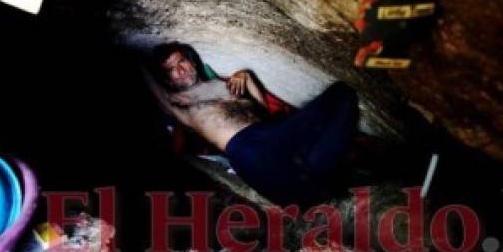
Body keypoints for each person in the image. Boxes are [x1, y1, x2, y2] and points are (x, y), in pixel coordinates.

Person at [143, 42, 359, 207]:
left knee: (343, 93)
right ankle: (316, 193)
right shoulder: (180, 103)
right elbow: (156, 90)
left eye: (182, 62)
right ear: (168, 80)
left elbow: (262, 109)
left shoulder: (222, 83)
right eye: (171, 69)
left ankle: (318, 185)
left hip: (275, 134)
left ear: (192, 61)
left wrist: (247, 77)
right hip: (247, 149)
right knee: (315, 193)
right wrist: (128, 55)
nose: (180, 70)